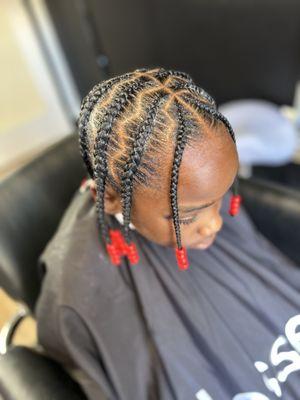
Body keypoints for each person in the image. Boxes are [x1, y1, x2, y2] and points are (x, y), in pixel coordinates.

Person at [35, 67, 300, 400]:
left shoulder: (199, 187)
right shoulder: (78, 288)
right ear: (111, 198)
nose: (215, 223)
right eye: (186, 216)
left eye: (220, 199)